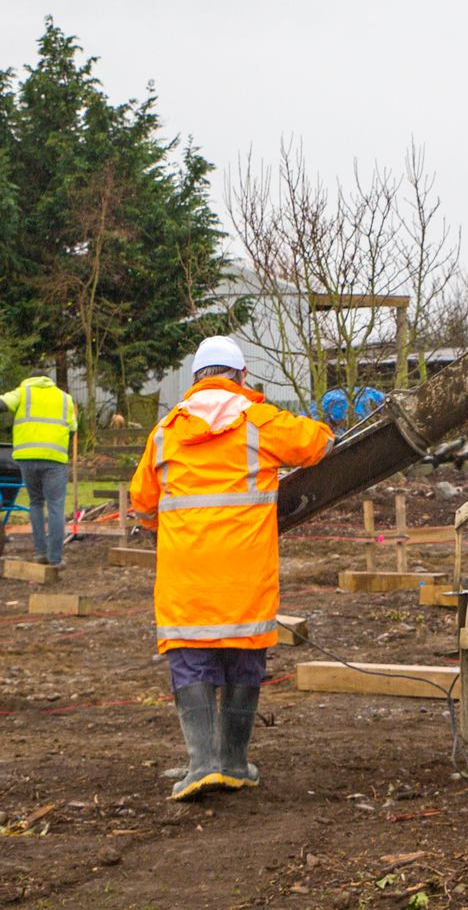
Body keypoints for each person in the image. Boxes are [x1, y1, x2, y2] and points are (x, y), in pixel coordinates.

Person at [129, 336, 332, 800]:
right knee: (244, 659)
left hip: (186, 578)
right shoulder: (259, 420)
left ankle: (201, 765)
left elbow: (142, 503)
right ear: (241, 377)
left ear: (195, 380)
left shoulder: (165, 432)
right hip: (245, 575)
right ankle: (235, 764)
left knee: (191, 660)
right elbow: (317, 444)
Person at [0, 368, 79, 567]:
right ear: (48, 380)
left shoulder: (23, 392)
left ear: (30, 379)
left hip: (26, 458)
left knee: (35, 503)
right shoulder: (65, 399)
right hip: (54, 459)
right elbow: (73, 428)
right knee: (56, 507)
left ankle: (40, 553)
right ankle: (55, 558)